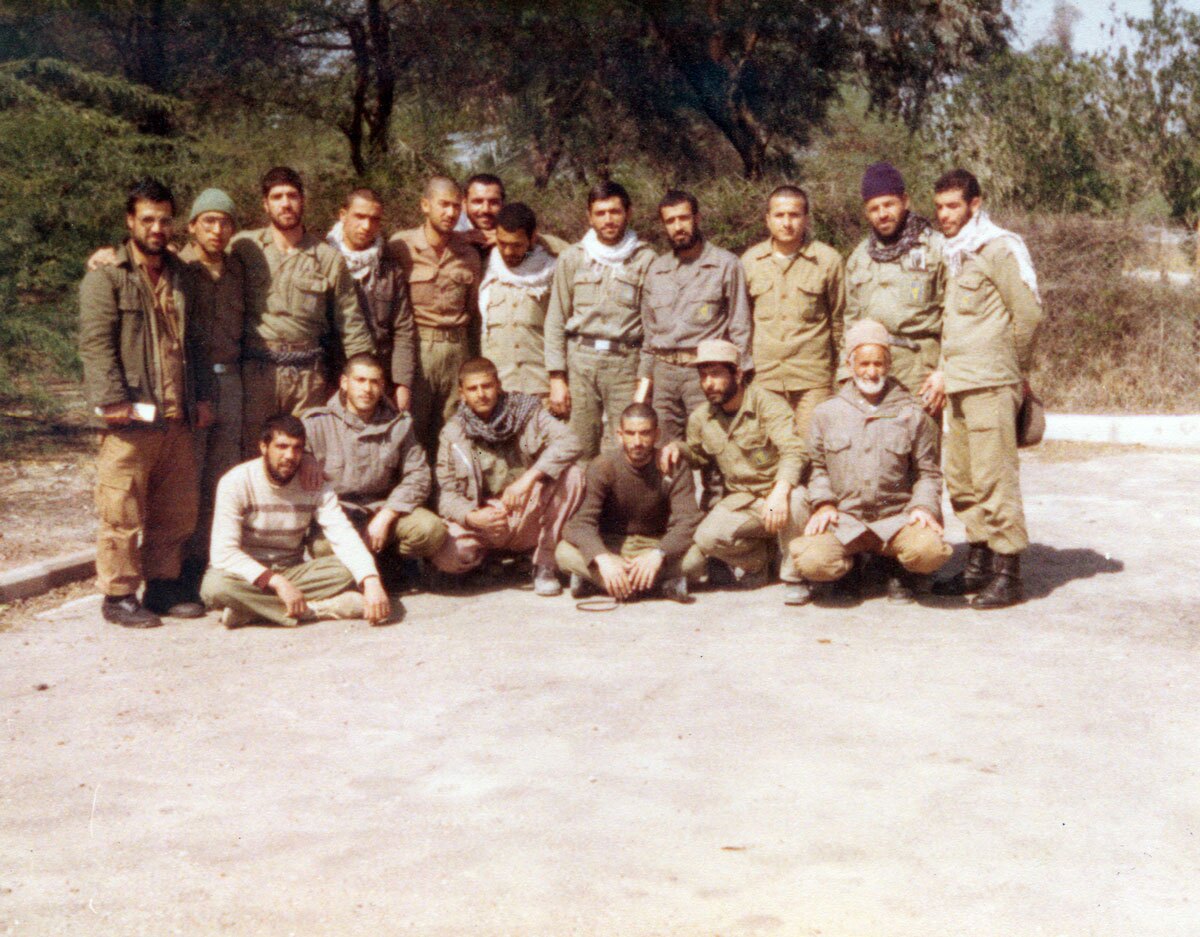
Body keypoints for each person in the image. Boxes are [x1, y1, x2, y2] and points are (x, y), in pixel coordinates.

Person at [79, 178, 214, 627]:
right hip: (131, 417)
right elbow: (96, 345)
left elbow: (195, 342)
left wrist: (202, 397)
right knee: (121, 508)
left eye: (165, 220)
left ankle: (162, 586)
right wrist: (113, 400)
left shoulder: (181, 274)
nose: (157, 228)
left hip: (176, 415)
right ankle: (118, 595)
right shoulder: (107, 277)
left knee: (175, 510)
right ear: (130, 221)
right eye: (148, 219)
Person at [928, 169, 1043, 608]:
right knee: (963, 479)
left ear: (974, 205)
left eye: (953, 206)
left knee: (995, 478)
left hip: (992, 382)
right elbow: (956, 324)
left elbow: (1028, 316)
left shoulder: (999, 248)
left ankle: (1008, 573)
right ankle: (977, 565)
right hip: (960, 383)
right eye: (939, 207)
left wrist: (1015, 371)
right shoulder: (958, 252)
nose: (944, 215)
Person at [790, 320, 951, 603]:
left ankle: (898, 568)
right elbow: (818, 469)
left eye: (879, 363)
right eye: (864, 364)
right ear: (850, 364)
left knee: (930, 551)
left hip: (897, 519)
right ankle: (850, 569)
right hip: (847, 520)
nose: (872, 371)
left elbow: (928, 473)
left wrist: (923, 507)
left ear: (889, 364)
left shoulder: (911, 412)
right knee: (813, 561)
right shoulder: (826, 413)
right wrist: (824, 503)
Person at [232, 166, 375, 455]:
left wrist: (365, 375)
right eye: (277, 197)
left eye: (292, 196)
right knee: (254, 452)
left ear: (303, 200)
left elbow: (351, 322)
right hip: (257, 373)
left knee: (306, 452)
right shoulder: (244, 247)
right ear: (265, 204)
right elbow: (201, 261)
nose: (285, 203)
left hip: (308, 377)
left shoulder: (327, 258)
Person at [201, 414, 390, 627]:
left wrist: (371, 581)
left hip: (292, 569)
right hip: (246, 572)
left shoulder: (314, 483)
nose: (290, 456)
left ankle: (250, 611)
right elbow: (224, 553)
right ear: (264, 447)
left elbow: (342, 533)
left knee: (347, 570)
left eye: (297, 448)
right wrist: (277, 582)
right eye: (281, 447)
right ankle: (318, 610)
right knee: (214, 587)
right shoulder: (236, 481)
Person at [661, 339, 811, 606]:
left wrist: (780, 491)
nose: (708, 383)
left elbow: (794, 451)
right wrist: (678, 449)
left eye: (716, 374)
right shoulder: (702, 418)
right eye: (703, 376)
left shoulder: (768, 404)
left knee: (797, 499)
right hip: (744, 501)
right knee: (706, 538)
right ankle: (761, 562)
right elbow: (699, 456)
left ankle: (794, 577)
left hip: (778, 496)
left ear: (738, 374)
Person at [433, 357, 584, 595]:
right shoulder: (453, 433)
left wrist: (528, 479)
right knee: (450, 556)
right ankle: (488, 559)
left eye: (487, 386)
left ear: (498, 385)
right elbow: (447, 495)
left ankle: (544, 562)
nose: (481, 394)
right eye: (473, 389)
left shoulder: (527, 412)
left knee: (572, 474)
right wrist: (473, 517)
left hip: (526, 507)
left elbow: (571, 441)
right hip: (486, 518)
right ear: (462, 394)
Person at [301, 354, 448, 587]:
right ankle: (379, 571)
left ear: (382, 386)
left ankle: (388, 562)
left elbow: (418, 475)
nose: (367, 389)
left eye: (374, 382)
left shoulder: (399, 424)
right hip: (339, 514)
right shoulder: (316, 423)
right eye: (360, 380)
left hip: (384, 508)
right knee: (323, 548)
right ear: (344, 382)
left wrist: (387, 514)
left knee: (431, 530)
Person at [544, 180, 656, 459]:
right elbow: (556, 318)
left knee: (628, 447)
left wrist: (644, 376)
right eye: (601, 213)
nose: (608, 219)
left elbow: (652, 328)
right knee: (578, 446)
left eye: (615, 211)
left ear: (628, 213)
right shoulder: (572, 258)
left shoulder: (645, 260)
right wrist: (557, 377)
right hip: (580, 363)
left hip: (625, 363)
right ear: (589, 216)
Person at [556, 403, 705, 603]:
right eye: (630, 433)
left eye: (645, 433)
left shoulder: (674, 465)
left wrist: (658, 554)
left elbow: (688, 520)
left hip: (654, 544)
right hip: (611, 545)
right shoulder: (603, 466)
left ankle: (601, 583)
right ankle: (660, 586)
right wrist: (602, 558)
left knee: (697, 558)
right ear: (620, 435)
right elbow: (581, 523)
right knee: (564, 552)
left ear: (657, 434)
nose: (637, 442)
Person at [639, 189, 753, 445]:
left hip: (705, 372)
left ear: (697, 218)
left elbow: (740, 324)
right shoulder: (656, 270)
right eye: (670, 221)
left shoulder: (726, 264)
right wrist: (644, 384)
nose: (678, 226)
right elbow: (649, 335)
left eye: (684, 218)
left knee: (712, 446)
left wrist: (741, 377)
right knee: (665, 450)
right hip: (664, 374)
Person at [388, 176, 483, 460]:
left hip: (457, 349)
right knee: (411, 427)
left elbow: (474, 313)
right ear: (425, 205)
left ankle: (447, 485)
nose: (450, 213)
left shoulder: (469, 254)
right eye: (443, 205)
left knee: (454, 428)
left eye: (456, 206)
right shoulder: (401, 246)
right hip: (418, 348)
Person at [741, 185, 845, 438]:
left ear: (806, 218)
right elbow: (743, 323)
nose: (786, 223)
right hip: (766, 380)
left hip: (813, 380)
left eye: (794, 215)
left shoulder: (828, 260)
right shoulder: (749, 262)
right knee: (771, 448)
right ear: (767, 219)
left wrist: (841, 374)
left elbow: (840, 321)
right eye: (779, 215)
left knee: (812, 449)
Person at [843, 162, 946, 408]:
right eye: (874, 208)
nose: (882, 213)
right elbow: (851, 322)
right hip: (872, 370)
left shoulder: (936, 249)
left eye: (889, 204)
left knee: (920, 433)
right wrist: (845, 373)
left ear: (905, 201)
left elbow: (955, 318)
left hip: (921, 369)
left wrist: (945, 371)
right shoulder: (859, 258)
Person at [326, 187, 417, 412]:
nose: (366, 226)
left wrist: (402, 383)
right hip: (331, 376)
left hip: (376, 379)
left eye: (374, 219)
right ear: (343, 215)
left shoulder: (389, 270)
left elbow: (403, 329)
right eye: (359, 216)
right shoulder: (323, 260)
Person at [477, 202, 558, 397]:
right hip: (496, 392)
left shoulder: (552, 272)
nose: (508, 252)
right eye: (502, 243)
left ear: (532, 238)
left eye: (516, 245)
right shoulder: (484, 267)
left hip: (540, 388)